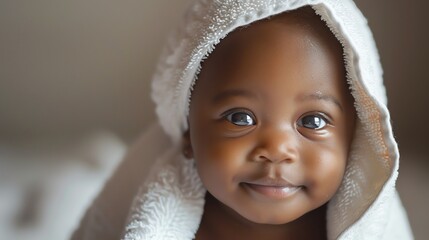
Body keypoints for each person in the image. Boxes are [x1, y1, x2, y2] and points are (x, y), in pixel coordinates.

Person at [72, 1, 413, 239]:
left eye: (313, 122)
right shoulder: (171, 222)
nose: (277, 150)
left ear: (355, 139)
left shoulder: (355, 226)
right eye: (240, 117)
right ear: (189, 132)